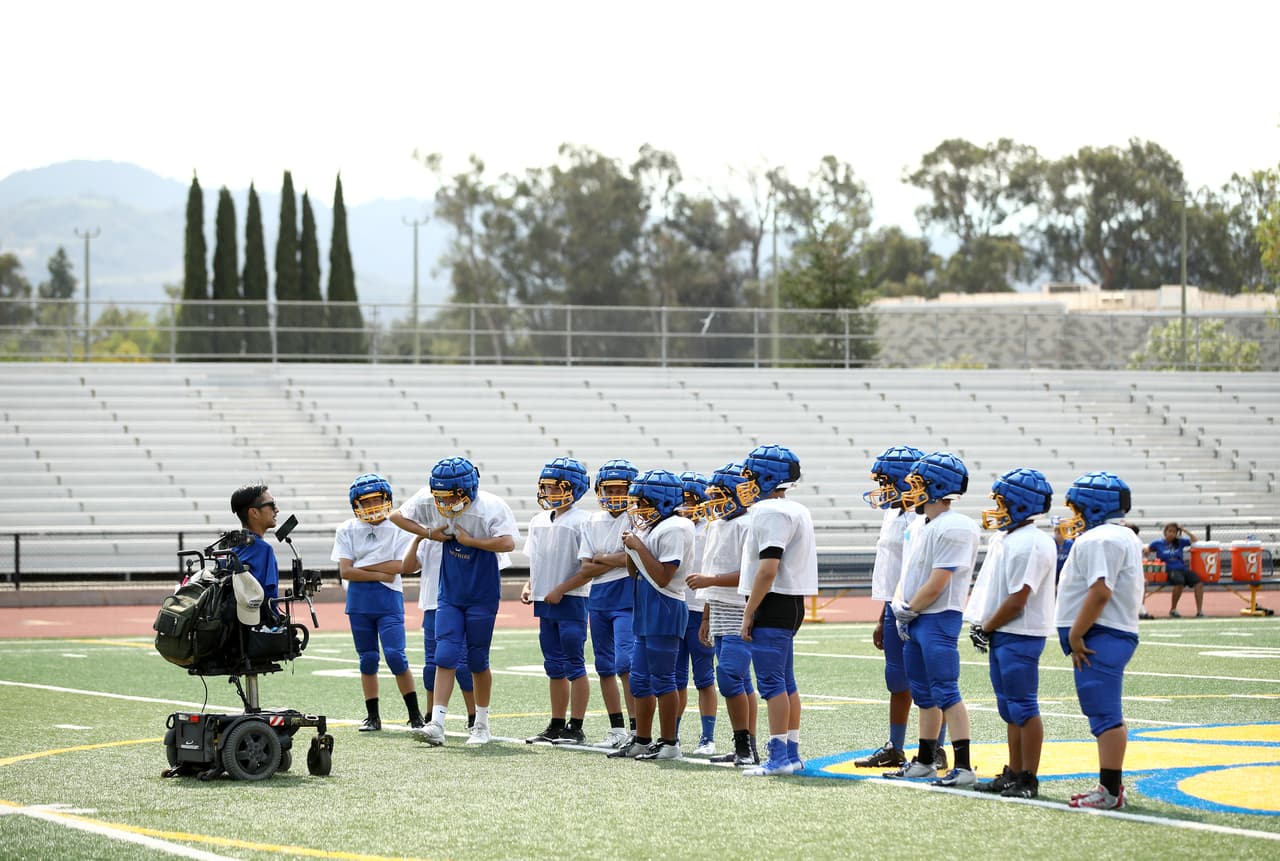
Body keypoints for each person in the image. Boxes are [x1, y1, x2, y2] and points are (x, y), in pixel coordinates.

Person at [390, 456, 518, 746]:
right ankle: (437, 723)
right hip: (449, 591)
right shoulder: (429, 500)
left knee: (477, 659)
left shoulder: (491, 507)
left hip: (482, 591)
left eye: (451, 496)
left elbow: (508, 542)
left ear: (468, 490)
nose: (445, 503)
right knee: (445, 655)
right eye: (441, 496)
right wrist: (427, 533)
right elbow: (397, 516)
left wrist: (473, 542)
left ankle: (481, 724)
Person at [887, 450, 980, 787]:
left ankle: (964, 766)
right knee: (923, 693)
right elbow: (908, 572)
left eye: (917, 484)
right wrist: (901, 603)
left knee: (946, 691)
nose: (911, 491)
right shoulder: (919, 524)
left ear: (937, 486)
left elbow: (939, 580)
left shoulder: (955, 526)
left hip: (938, 617)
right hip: (915, 616)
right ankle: (925, 760)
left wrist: (911, 608)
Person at [964, 468, 1057, 799]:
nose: (996, 509)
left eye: (1002, 503)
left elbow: (1019, 598)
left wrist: (986, 626)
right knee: (1009, 708)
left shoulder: (1031, 542)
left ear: (1020, 504)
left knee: (1023, 706)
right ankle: (1014, 771)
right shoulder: (1008, 538)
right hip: (1005, 631)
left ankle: (1028, 777)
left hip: (1020, 632)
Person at [1054, 471, 1143, 810]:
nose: (1074, 515)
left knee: (1103, 713)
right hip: (1110, 631)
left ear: (1093, 506)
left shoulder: (1100, 539)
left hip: (1101, 633)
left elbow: (1100, 591)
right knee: (1106, 712)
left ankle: (1109, 791)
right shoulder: (1118, 535)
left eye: (1077, 508)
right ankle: (1111, 786)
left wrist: (1076, 632)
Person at [737, 444, 818, 777]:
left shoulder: (770, 511)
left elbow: (768, 568)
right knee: (785, 682)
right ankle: (792, 753)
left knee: (772, 684)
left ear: (767, 477)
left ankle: (779, 757)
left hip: (773, 601)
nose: (746, 483)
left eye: (751, 476)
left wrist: (749, 611)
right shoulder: (793, 508)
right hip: (789, 601)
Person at [608, 468, 694, 761]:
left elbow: (662, 577)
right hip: (645, 605)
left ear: (662, 501)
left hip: (665, 605)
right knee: (640, 680)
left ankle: (670, 743)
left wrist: (638, 546)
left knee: (663, 680)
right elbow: (634, 572)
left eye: (642, 503)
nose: (636, 509)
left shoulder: (675, 527)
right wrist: (631, 548)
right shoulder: (650, 527)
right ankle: (641, 740)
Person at [853, 445, 925, 771]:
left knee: (924, 682)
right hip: (893, 606)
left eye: (886, 481)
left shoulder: (921, 519)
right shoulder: (892, 513)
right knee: (896, 679)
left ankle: (933, 748)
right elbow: (890, 572)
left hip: (917, 608)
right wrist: (883, 616)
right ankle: (895, 747)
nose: (882, 488)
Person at [331, 473, 421, 732]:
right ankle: (373, 716)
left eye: (376, 500)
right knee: (367, 659)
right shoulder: (347, 528)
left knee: (396, 656)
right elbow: (345, 571)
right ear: (356, 504)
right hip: (359, 601)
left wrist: (363, 566)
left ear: (387, 500)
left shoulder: (398, 526)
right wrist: (380, 572)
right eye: (366, 502)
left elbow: (400, 566)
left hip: (388, 598)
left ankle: (415, 715)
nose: (372, 506)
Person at [687, 462, 759, 767]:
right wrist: (706, 615)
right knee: (740, 680)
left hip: (741, 607)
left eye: (719, 495)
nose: (714, 502)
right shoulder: (717, 525)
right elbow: (712, 570)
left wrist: (710, 582)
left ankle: (744, 746)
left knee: (729, 677)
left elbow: (751, 573)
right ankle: (747, 746)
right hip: (718, 608)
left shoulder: (748, 524)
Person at [521, 457, 593, 745]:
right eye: (547, 487)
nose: (549, 492)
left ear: (574, 488)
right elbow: (537, 560)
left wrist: (562, 589)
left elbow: (588, 567)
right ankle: (556, 723)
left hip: (572, 599)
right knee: (553, 665)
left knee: (574, 663)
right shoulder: (538, 520)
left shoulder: (582, 520)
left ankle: (576, 726)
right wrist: (529, 585)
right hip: (545, 601)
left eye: (556, 487)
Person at [573, 459, 640, 749]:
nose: (614, 495)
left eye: (620, 489)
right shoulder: (592, 520)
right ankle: (617, 729)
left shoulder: (637, 518)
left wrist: (603, 558)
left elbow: (633, 559)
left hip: (627, 595)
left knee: (626, 663)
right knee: (604, 666)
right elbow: (586, 567)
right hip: (599, 597)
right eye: (609, 490)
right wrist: (616, 559)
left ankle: (638, 729)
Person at [401, 529, 477, 731]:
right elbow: (407, 567)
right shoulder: (429, 537)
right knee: (431, 665)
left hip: (459, 606)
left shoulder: (468, 531)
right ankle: (430, 716)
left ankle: (474, 716)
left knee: (462, 665)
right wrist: (419, 536)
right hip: (432, 606)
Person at [675, 470, 718, 755]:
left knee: (704, 678)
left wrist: (708, 613)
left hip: (699, 608)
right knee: (675, 678)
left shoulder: (711, 528)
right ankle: (673, 734)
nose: (686, 506)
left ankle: (707, 737)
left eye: (692, 500)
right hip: (676, 607)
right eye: (683, 500)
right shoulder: (672, 527)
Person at [227, 483, 281, 618]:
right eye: (272, 505)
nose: (277, 510)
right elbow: (270, 599)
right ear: (254, 513)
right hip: (256, 624)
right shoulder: (264, 550)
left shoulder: (232, 548)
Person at [1147, 522, 1200, 617]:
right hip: (1168, 569)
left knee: (1198, 582)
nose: (1171, 534)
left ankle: (1199, 612)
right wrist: (1146, 551)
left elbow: (1195, 540)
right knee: (1180, 583)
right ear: (1165, 532)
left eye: (1174, 532)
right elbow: (1147, 550)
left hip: (1182, 568)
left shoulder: (1180, 542)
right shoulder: (1158, 543)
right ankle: (1173, 609)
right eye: (1169, 531)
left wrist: (1184, 530)